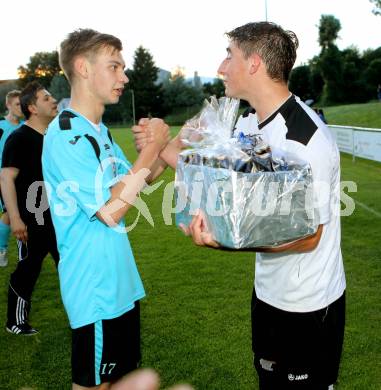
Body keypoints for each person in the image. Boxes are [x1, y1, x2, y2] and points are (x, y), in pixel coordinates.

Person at [134, 21, 346, 390]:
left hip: (309, 305)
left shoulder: (305, 140)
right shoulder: (248, 123)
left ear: (254, 64)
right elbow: (208, 172)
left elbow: (311, 237)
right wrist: (158, 144)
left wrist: (227, 242)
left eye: (229, 55)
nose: (221, 67)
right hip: (267, 293)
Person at [42, 29, 170, 389]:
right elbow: (111, 210)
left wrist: (168, 147)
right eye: (114, 66)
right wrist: (150, 151)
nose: (124, 77)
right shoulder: (66, 134)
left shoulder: (99, 131)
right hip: (95, 290)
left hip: (119, 285)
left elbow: (135, 183)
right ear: (83, 68)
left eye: (123, 67)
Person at [1, 81, 59, 335]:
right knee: (28, 268)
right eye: (46, 98)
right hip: (31, 219)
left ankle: (86, 316)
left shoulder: (54, 135)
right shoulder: (19, 138)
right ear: (33, 108)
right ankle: (15, 321)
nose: (53, 100)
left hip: (58, 217)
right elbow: (5, 178)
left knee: (70, 265)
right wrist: (14, 217)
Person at [0, 90, 24, 267]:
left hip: (24, 179)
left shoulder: (26, 126)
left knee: (19, 214)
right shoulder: (1, 127)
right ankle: (2, 249)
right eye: (17, 104)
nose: (20, 107)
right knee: (9, 213)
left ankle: (26, 254)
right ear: (8, 105)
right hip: (4, 178)